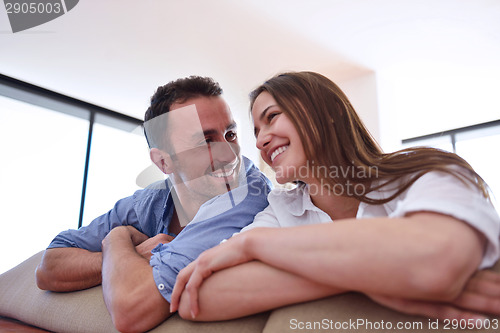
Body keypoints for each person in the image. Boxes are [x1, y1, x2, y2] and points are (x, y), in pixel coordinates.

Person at [170, 71, 500, 321]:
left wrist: (252, 245)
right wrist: (381, 274)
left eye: (272, 117)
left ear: (326, 113)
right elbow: (197, 298)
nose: (259, 142)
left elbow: (435, 262)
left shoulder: (427, 170)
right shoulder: (282, 208)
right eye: (256, 131)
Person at [35, 76, 272, 333]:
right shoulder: (150, 202)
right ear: (163, 163)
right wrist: (127, 255)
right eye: (206, 141)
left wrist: (117, 239)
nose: (229, 154)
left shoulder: (248, 198)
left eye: (230, 134)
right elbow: (48, 267)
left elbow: (130, 311)